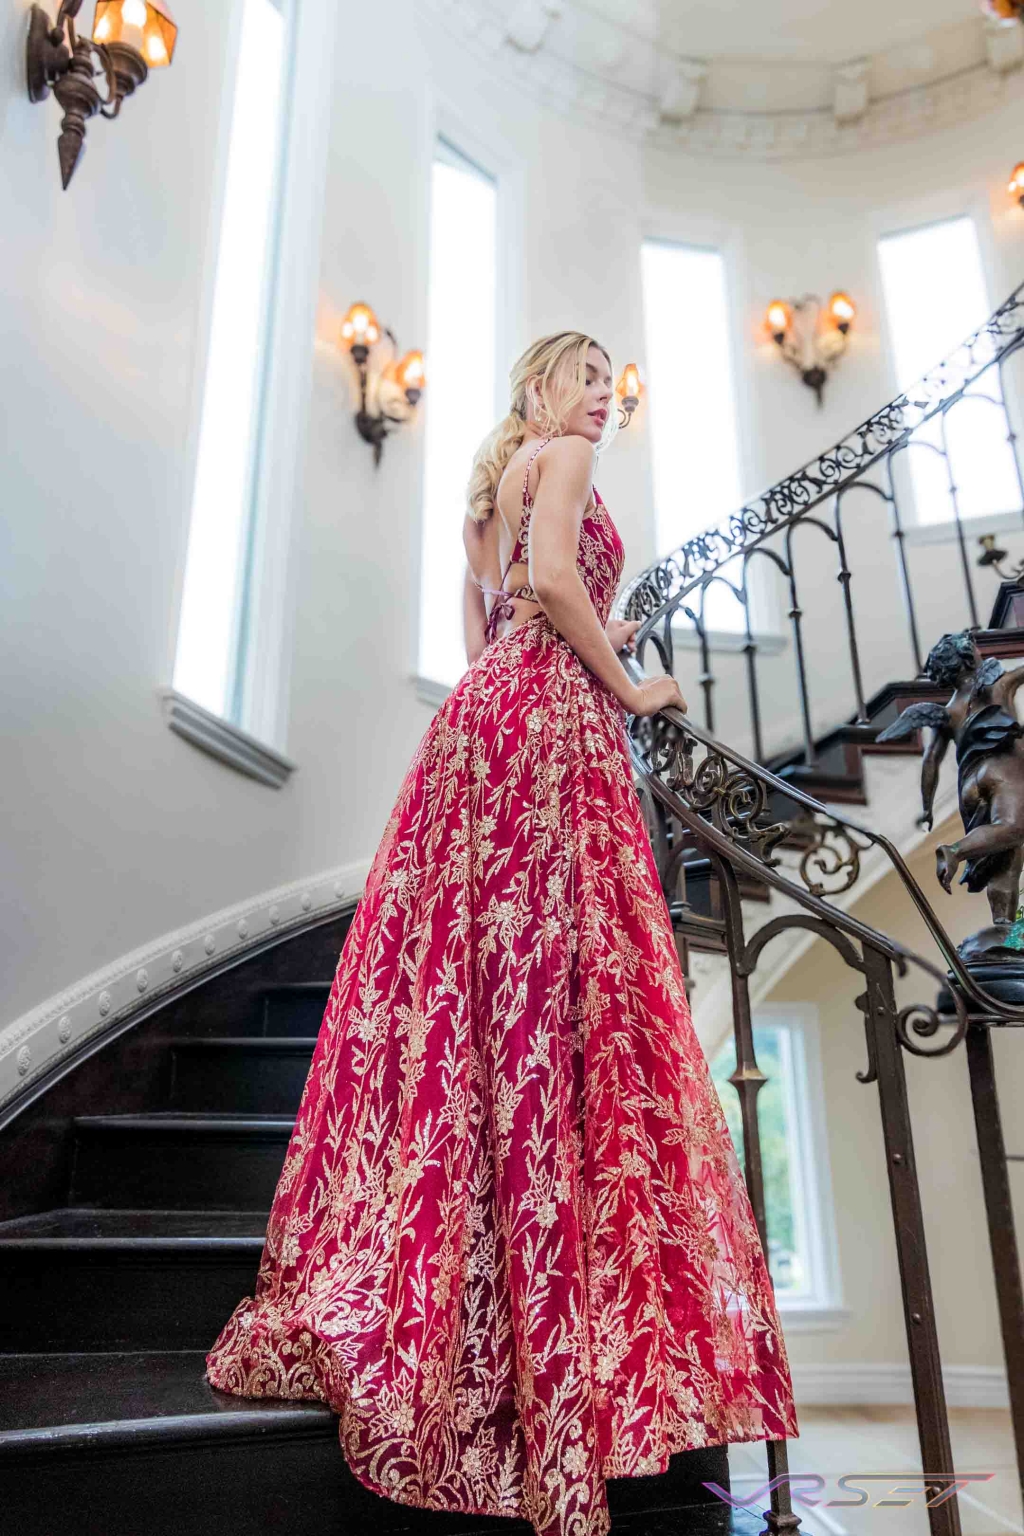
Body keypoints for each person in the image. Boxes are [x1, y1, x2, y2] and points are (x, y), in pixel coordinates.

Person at [205, 331, 799, 1536]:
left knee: (481, 1000)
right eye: (586, 372)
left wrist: (571, 660)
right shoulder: (563, 457)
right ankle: (547, 1347)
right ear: (538, 385)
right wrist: (625, 688)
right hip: (550, 729)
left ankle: (492, 1306)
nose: (602, 395)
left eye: (609, 380)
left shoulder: (485, 490)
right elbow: (556, 590)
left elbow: (490, 636)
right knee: (559, 1002)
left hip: (483, 727)